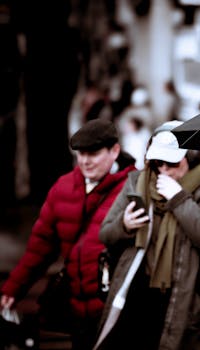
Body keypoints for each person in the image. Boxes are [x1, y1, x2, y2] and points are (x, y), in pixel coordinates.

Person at [93, 121, 200, 349]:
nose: (164, 170)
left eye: (172, 163)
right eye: (158, 163)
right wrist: (125, 225)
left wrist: (179, 199)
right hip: (139, 293)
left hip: (187, 296)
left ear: (190, 158)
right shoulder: (138, 182)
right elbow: (105, 233)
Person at [0, 118, 136, 350]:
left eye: (92, 153)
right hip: (78, 314)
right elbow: (40, 247)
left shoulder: (134, 187)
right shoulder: (63, 188)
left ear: (114, 151)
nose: (84, 161)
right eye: (80, 154)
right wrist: (13, 289)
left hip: (120, 314)